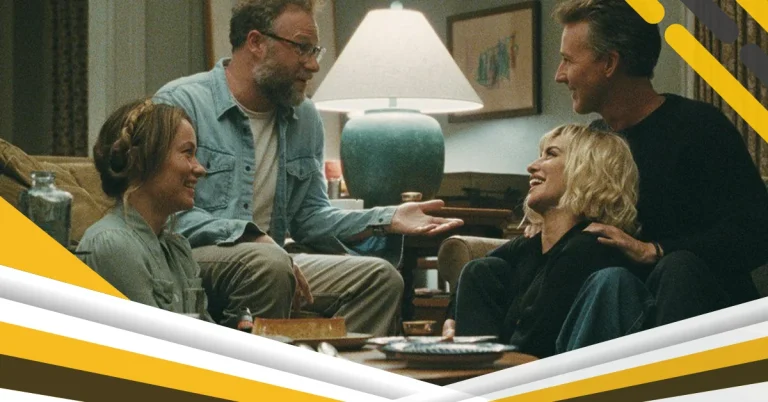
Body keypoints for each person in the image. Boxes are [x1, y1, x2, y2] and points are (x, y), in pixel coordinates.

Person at [153, 0, 462, 335]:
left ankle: (329, 366)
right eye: (302, 48)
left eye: (315, 51)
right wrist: (252, 237)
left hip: (273, 259)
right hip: (189, 259)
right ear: (256, 42)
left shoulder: (305, 117)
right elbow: (165, 215)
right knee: (269, 263)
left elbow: (310, 218)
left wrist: (387, 218)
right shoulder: (181, 103)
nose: (313, 65)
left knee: (380, 278)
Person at [552, 0, 768, 328]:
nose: (559, 75)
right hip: (615, 299)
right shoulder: (591, 142)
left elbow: (757, 233)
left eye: (568, 60)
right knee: (493, 268)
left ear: (609, 63)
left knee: (677, 268)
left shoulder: (700, 127)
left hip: (703, 307)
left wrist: (655, 250)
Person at [451, 124, 650, 358]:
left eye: (551, 154)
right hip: (509, 370)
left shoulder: (591, 248)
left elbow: (536, 343)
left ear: (587, 170)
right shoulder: (530, 246)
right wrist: (452, 316)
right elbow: (475, 270)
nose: (531, 166)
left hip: (555, 374)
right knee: (482, 269)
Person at [77, 99, 210, 318]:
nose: (200, 169)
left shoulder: (178, 249)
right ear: (139, 160)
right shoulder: (112, 245)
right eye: (187, 153)